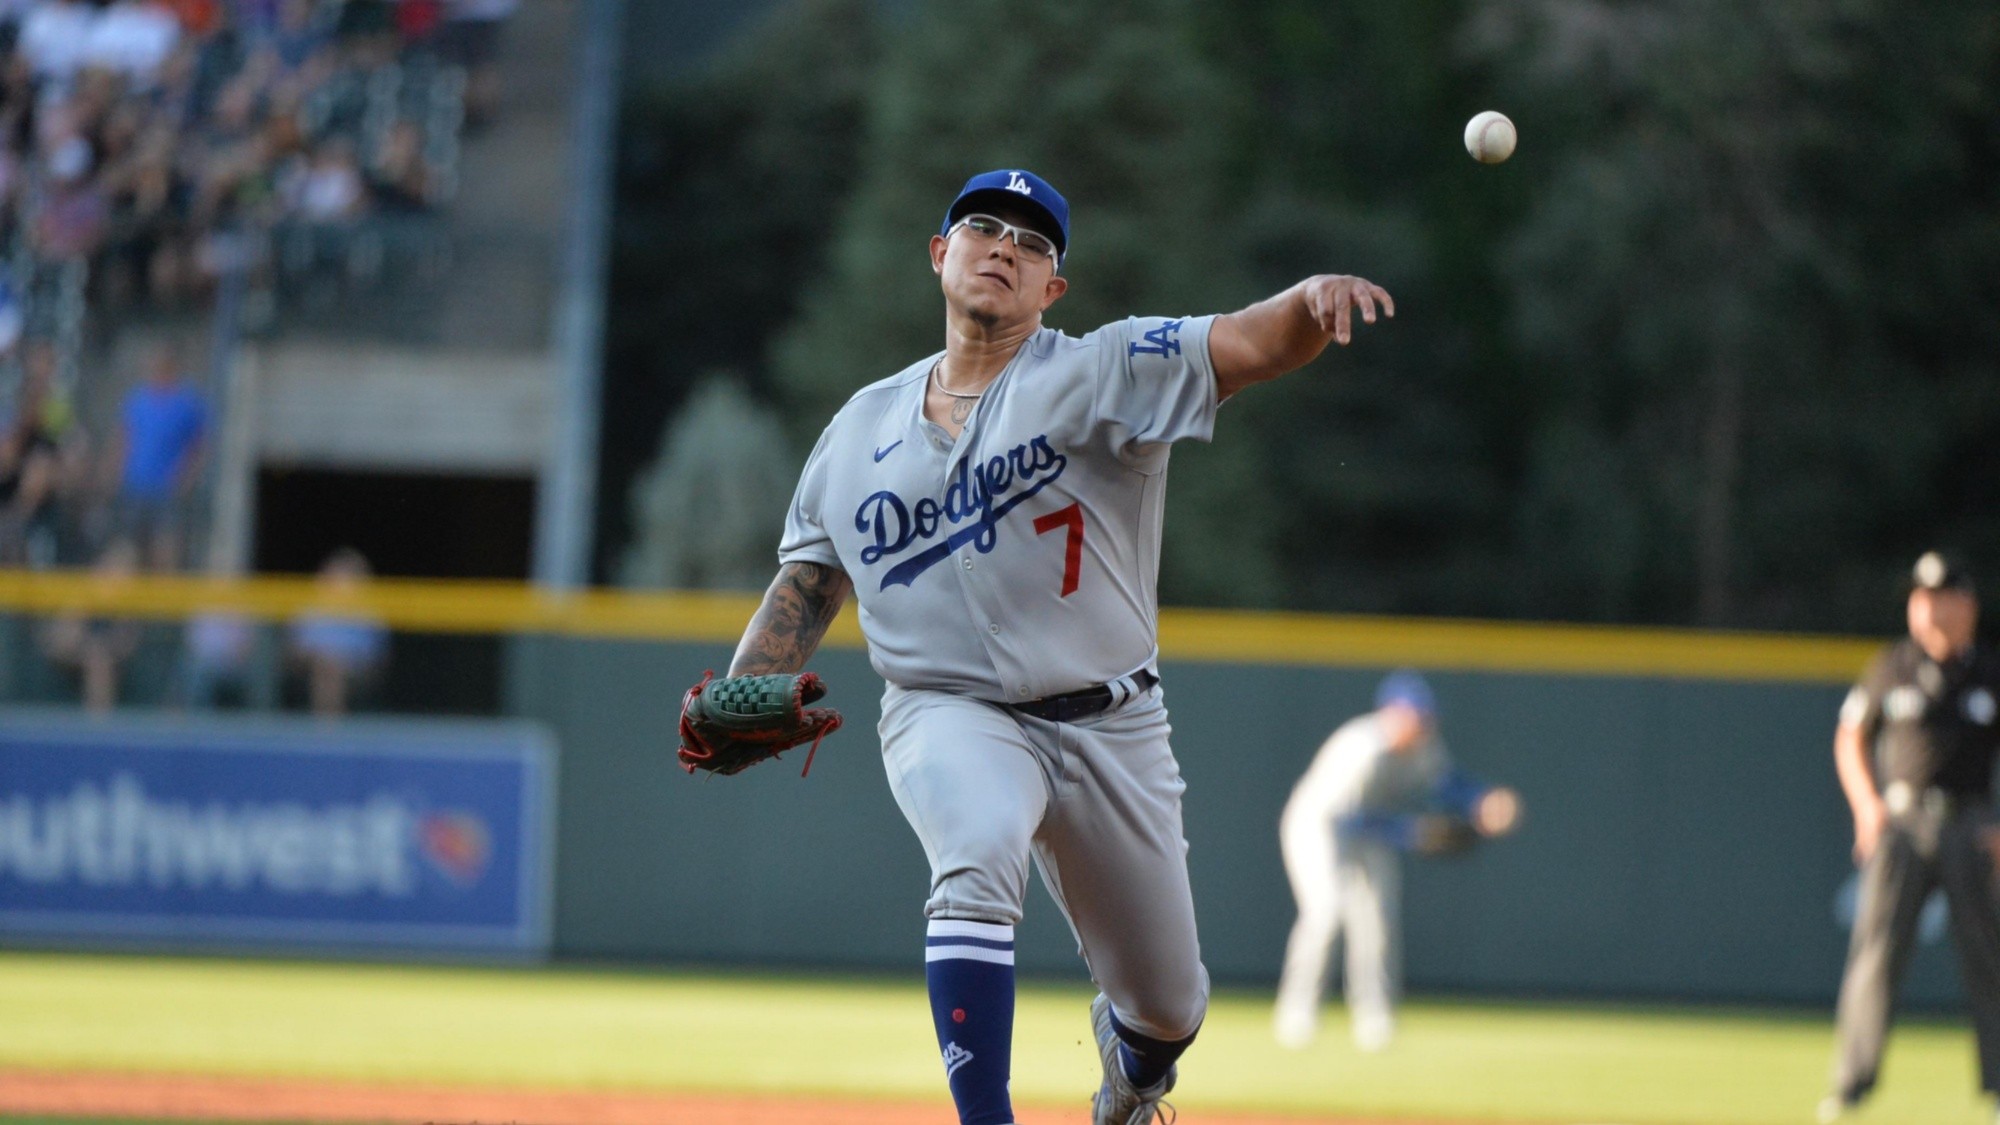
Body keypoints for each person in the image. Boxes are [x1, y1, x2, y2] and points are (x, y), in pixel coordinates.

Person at [701, 168, 1394, 1125]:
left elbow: (1243, 342)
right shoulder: (856, 429)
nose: (1003, 247)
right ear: (942, 255)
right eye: (982, 228)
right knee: (978, 848)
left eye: (1030, 244)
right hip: (949, 709)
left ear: (1050, 290)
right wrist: (746, 687)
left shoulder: (1103, 369)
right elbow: (811, 581)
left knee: (1169, 1004)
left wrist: (1310, 305)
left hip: (1113, 721)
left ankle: (1133, 1069)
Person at [1821, 551, 2000, 1123]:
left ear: (1965, 605)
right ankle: (1850, 1086)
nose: (1924, 610)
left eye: (1937, 598)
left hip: (1971, 824)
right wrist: (1866, 807)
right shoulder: (1890, 666)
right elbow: (1849, 738)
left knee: (1989, 961)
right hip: (1900, 824)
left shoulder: (1989, 673)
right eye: (1918, 599)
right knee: (1875, 956)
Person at [1272, 670, 1520, 1052]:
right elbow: (1348, 819)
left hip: (1373, 828)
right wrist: (1411, 833)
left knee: (1377, 920)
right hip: (1317, 825)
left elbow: (1446, 783)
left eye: (1425, 716)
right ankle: (1296, 1013)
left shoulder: (1424, 744)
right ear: (1392, 713)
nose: (1421, 723)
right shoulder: (1361, 747)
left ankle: (1374, 1016)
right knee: (1326, 913)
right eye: (1415, 715)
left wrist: (1481, 801)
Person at [103, 342, 207, 571]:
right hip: (135, 487)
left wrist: (185, 480)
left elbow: (198, 446)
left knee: (165, 552)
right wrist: (113, 475)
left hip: (166, 491)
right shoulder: (137, 399)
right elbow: (123, 439)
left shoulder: (188, 402)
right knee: (127, 550)